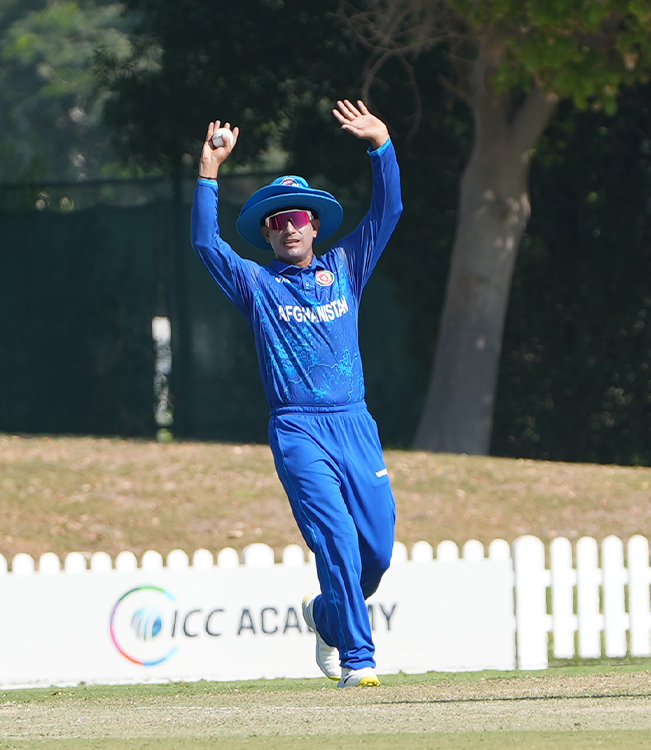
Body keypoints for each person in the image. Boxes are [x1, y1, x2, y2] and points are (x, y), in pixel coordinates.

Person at [192, 101, 402, 687]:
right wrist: (209, 171)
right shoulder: (256, 284)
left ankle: (328, 616)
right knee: (334, 538)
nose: (289, 226)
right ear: (267, 231)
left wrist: (381, 145)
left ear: (315, 224)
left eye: (298, 218)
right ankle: (358, 661)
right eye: (278, 220)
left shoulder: (346, 267)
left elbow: (389, 211)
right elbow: (208, 246)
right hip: (299, 428)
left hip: (355, 423)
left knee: (377, 553)